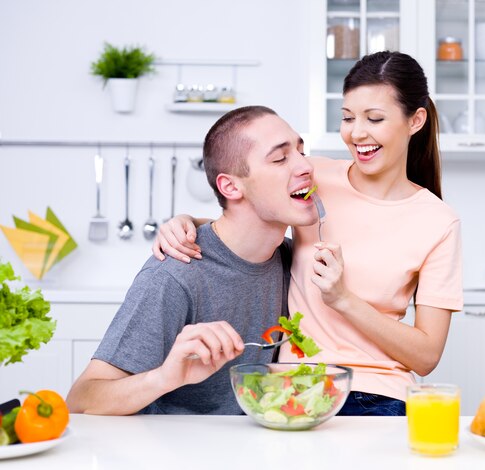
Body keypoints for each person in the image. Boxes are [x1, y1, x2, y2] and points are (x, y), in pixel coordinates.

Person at [153, 51, 463, 416]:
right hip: (291, 386)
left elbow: (426, 356)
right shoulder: (314, 176)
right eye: (348, 118)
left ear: (416, 121)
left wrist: (343, 298)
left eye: (374, 118)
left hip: (376, 393)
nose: (357, 132)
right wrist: (187, 221)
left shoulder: (438, 221)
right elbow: (250, 211)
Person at [66, 106, 318, 415]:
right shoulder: (176, 273)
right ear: (230, 186)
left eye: (302, 151)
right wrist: (163, 378)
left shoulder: (294, 259)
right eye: (280, 158)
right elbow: (80, 399)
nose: (306, 166)